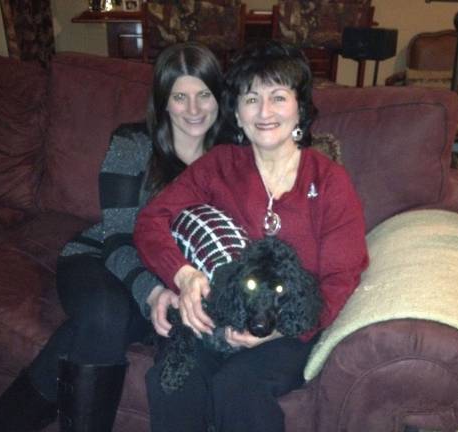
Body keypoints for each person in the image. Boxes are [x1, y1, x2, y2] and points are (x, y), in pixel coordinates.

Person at [0, 42, 226, 432]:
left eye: (203, 95)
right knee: (104, 314)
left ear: (218, 97)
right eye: (180, 96)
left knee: (89, 331)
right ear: (162, 101)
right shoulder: (131, 144)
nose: (193, 110)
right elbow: (117, 240)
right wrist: (153, 294)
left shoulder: (228, 160)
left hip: (167, 275)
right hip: (100, 258)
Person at [133, 40, 369, 432]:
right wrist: (183, 275)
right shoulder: (220, 165)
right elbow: (150, 221)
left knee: (236, 387)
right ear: (237, 115)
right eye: (251, 99)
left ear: (300, 110)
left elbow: (340, 278)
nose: (264, 112)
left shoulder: (328, 180)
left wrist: (278, 330)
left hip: (292, 328)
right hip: (220, 316)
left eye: (278, 97)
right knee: (171, 381)